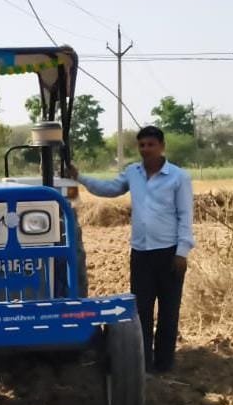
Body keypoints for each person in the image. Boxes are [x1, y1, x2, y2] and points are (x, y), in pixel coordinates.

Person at [75, 125, 194, 373]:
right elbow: (109, 189)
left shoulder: (178, 177)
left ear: (162, 147)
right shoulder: (133, 173)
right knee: (141, 312)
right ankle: (144, 363)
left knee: (169, 312)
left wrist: (182, 252)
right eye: (142, 145)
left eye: (151, 145)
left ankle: (164, 364)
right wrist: (80, 177)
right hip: (141, 253)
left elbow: (185, 215)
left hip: (169, 253)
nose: (146, 149)